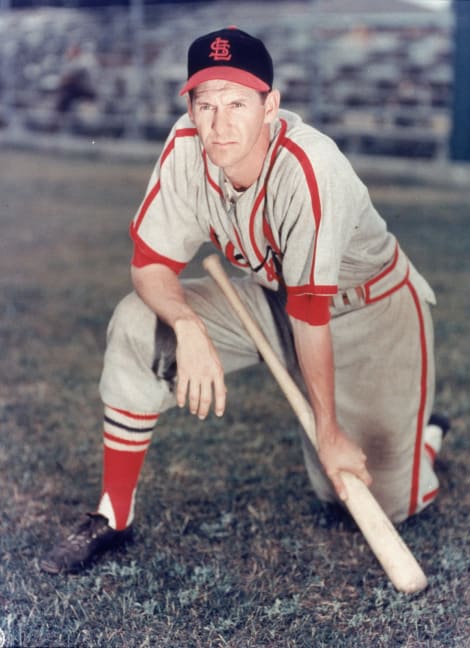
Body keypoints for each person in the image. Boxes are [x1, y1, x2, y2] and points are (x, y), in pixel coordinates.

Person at [41, 27, 449, 575]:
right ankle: (112, 513)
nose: (219, 122)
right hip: (269, 299)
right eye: (205, 104)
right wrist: (187, 326)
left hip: (369, 311)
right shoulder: (186, 146)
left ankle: (427, 436)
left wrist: (328, 430)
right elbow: (151, 265)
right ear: (189, 106)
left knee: (373, 501)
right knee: (140, 321)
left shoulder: (309, 167)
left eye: (237, 103)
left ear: (271, 106)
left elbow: (312, 313)